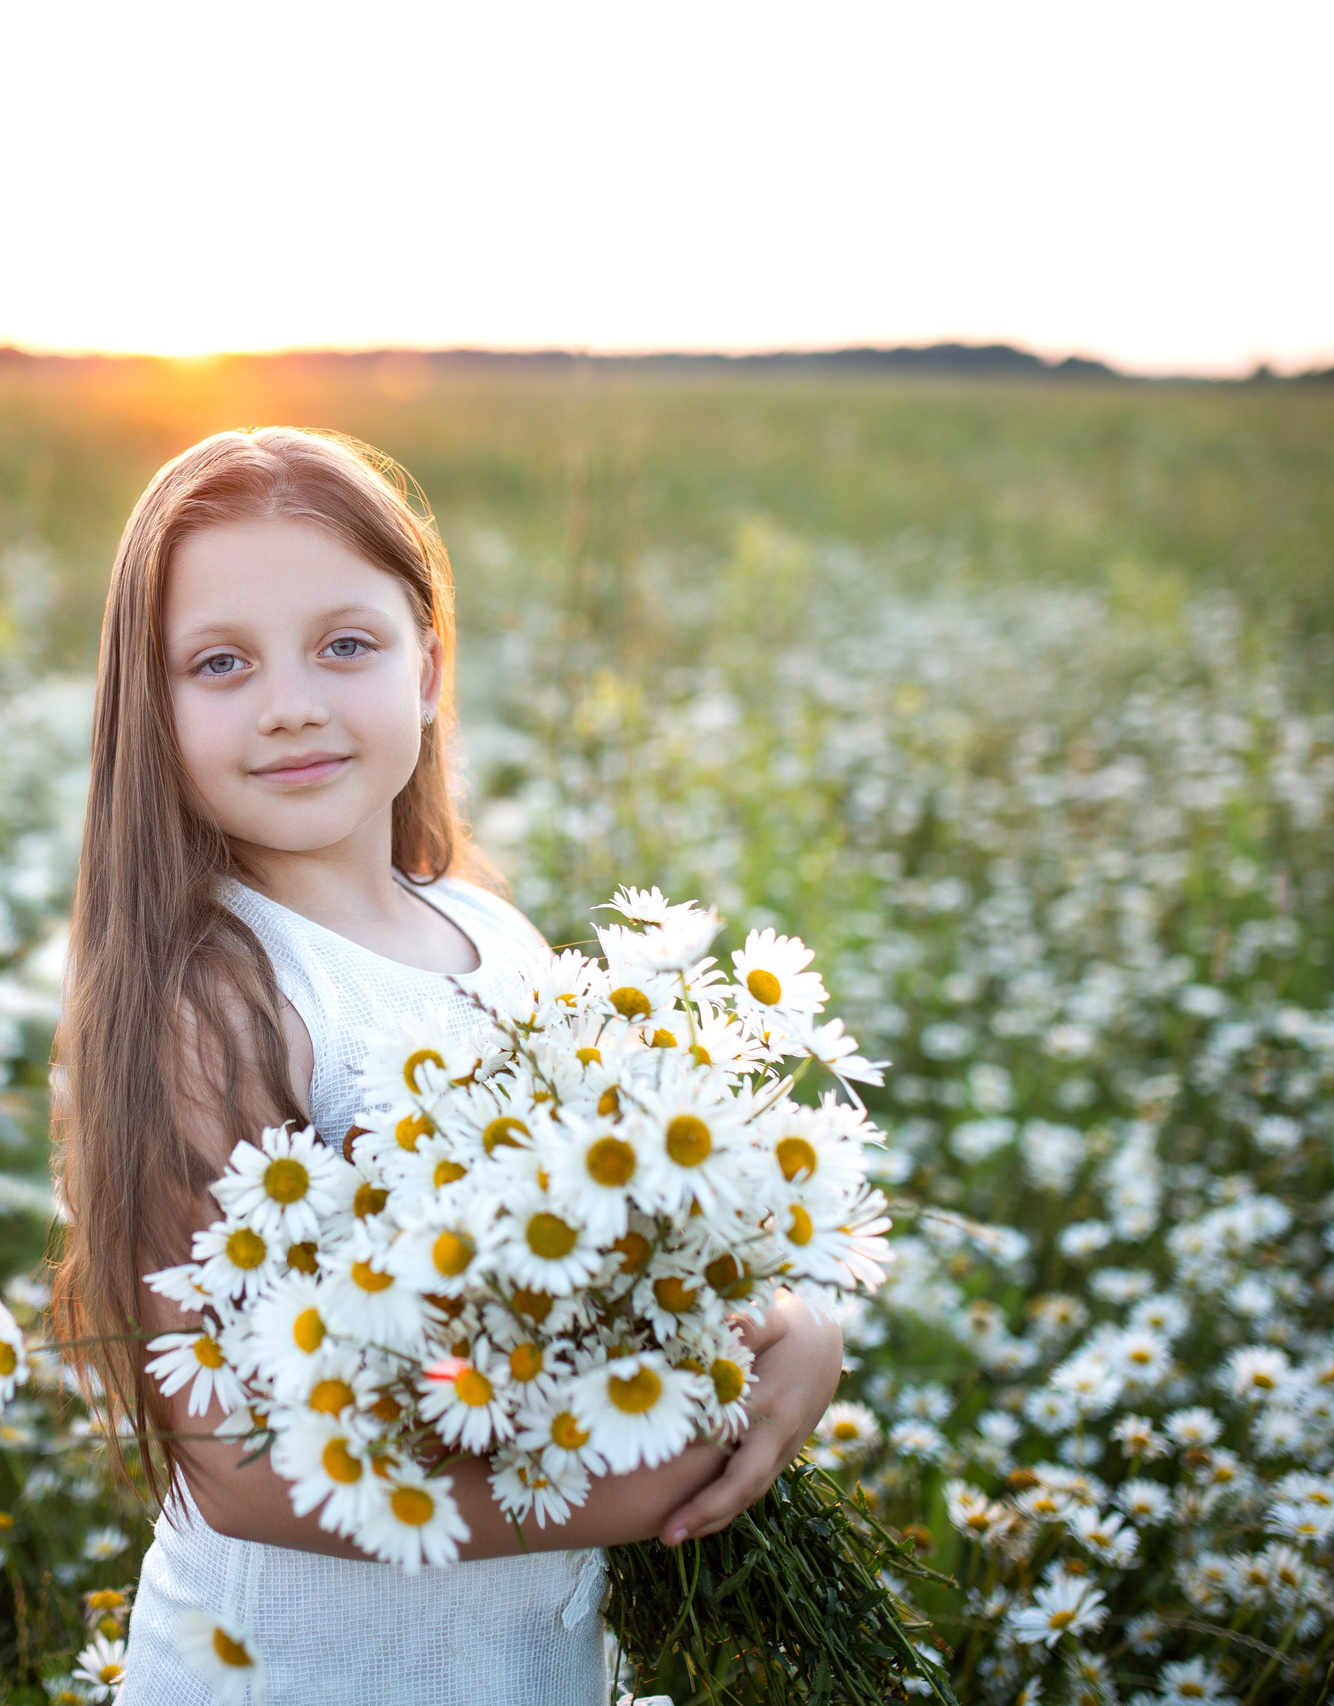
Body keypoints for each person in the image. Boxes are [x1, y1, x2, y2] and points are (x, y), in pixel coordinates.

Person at [51, 427, 845, 1705]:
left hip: (521, 1657)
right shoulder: (221, 999)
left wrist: (789, 1332)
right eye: (219, 662)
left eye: (345, 644)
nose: (291, 701)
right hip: (304, 1670)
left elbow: (623, 1247)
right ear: (151, 707)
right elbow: (237, 1466)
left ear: (429, 664)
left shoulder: (495, 936)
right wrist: (637, 1486)